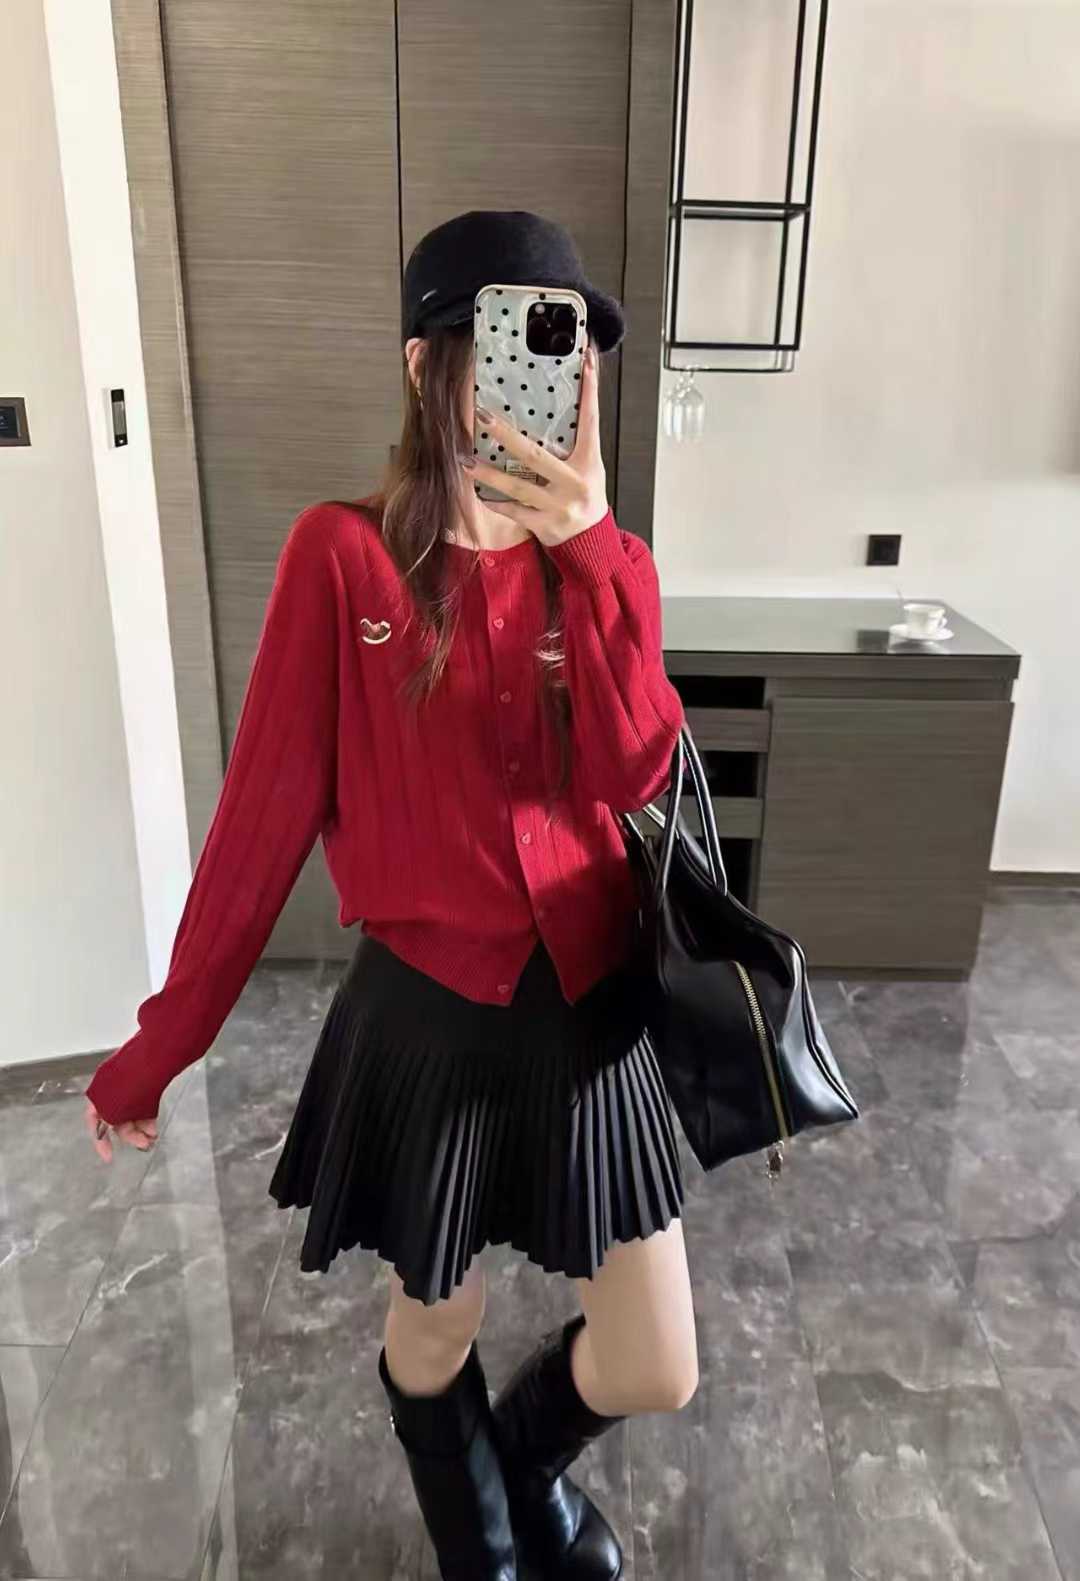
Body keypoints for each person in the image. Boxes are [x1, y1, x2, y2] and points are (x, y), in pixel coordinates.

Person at [84, 209, 698, 1581]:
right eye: (509, 339)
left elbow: (636, 767)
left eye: (564, 347)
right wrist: (157, 1047)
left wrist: (592, 547)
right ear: (429, 364)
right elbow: (258, 825)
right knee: (436, 1327)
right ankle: (481, 1539)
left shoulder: (608, 566)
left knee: (658, 1359)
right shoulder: (343, 558)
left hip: (589, 1013)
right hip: (425, 1023)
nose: (540, 374)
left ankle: (517, 1469)